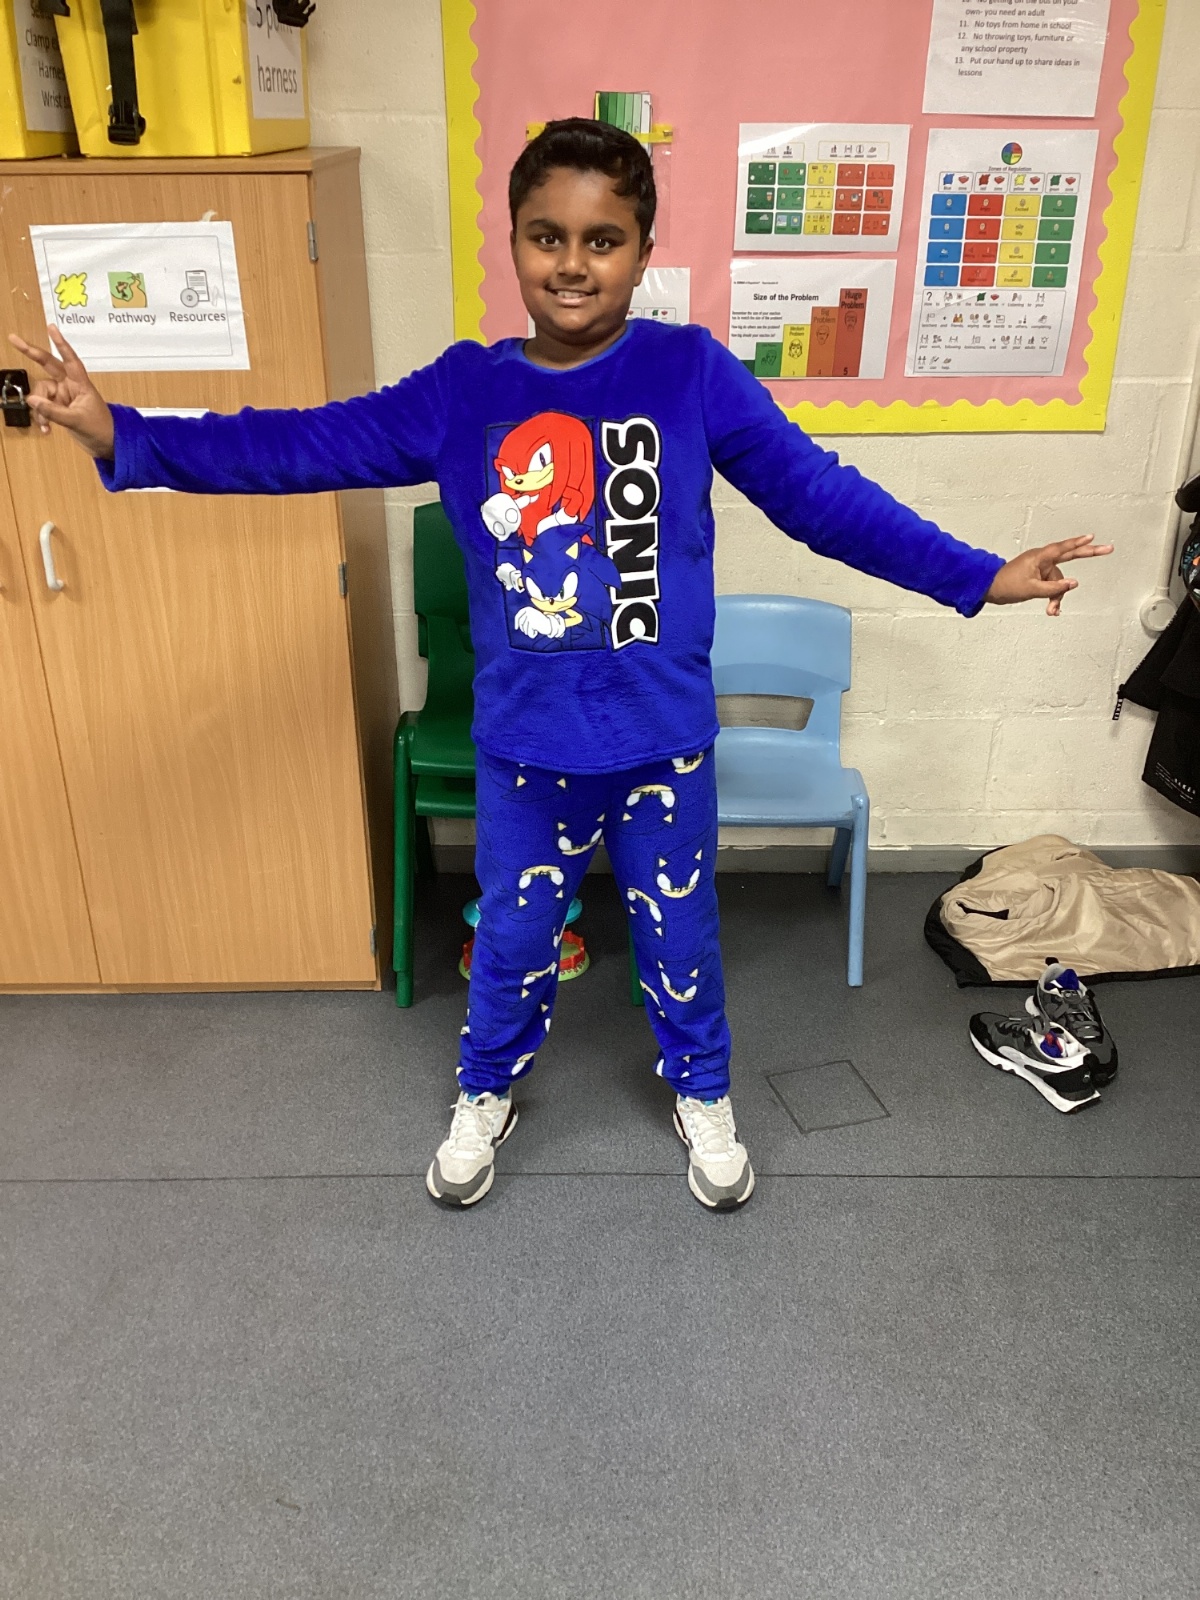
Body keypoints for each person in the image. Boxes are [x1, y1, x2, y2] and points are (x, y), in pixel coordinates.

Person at [9, 118, 1111, 1213]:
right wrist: (126, 436)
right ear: (514, 242)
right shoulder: (465, 393)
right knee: (513, 939)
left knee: (682, 937)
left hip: (663, 744)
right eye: (548, 237)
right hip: (528, 748)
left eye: (602, 240)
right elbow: (301, 443)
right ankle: (485, 1090)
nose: (573, 264)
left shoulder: (689, 372)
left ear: (642, 251)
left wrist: (977, 575)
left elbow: (820, 497)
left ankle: (703, 1091)